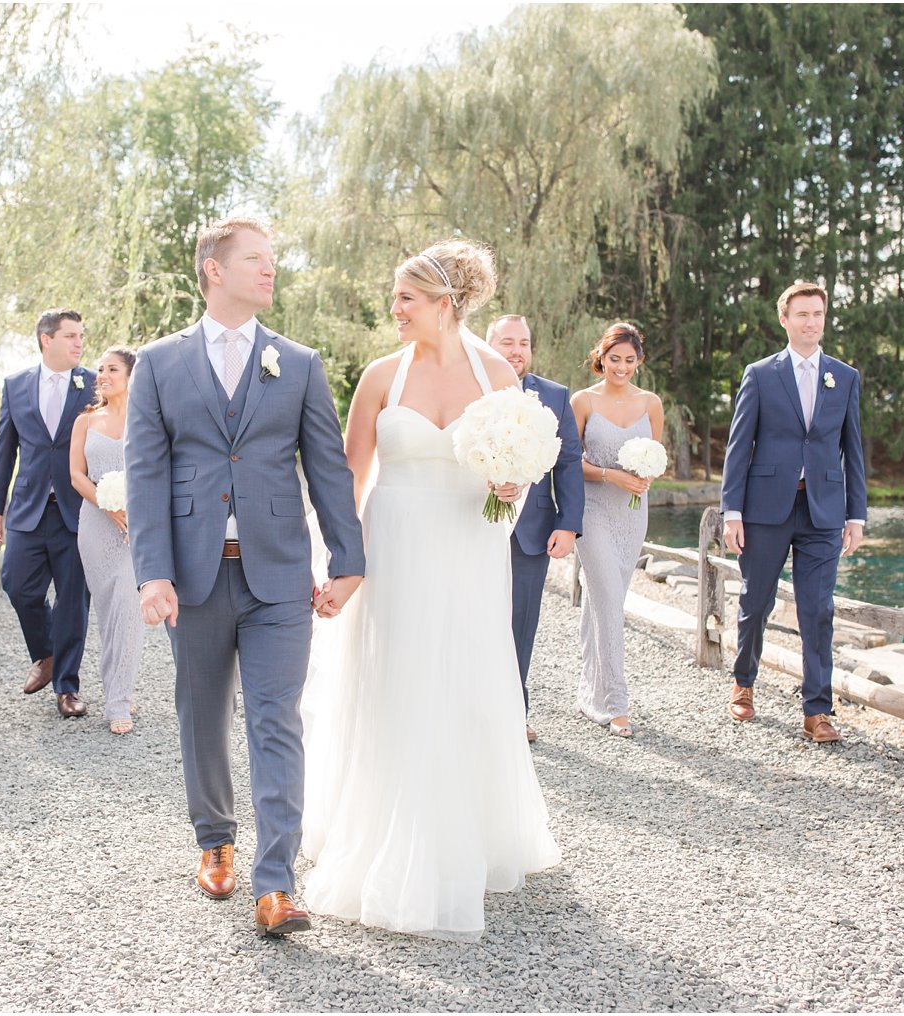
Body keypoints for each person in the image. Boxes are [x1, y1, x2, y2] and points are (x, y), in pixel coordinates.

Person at [301, 239, 561, 942]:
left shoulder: (499, 370)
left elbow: (519, 465)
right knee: (401, 677)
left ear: (445, 306)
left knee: (466, 675)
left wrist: (512, 484)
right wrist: (342, 564)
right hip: (397, 542)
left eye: (406, 299)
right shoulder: (381, 376)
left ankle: (468, 828)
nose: (394, 309)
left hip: (469, 543)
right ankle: (390, 828)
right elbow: (351, 477)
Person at [126, 217, 365, 938]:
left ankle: (275, 885)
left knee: (275, 721)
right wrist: (152, 573)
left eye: (272, 259)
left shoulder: (298, 362)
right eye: (255, 260)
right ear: (212, 270)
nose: (270, 271)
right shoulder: (159, 364)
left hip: (280, 579)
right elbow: (145, 473)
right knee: (201, 716)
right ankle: (214, 840)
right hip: (193, 579)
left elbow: (328, 466)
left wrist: (349, 561)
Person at [720, 281, 866, 743]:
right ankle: (744, 683)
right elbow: (739, 446)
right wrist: (732, 511)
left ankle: (817, 711)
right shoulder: (761, 374)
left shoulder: (845, 377)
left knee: (818, 609)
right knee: (756, 601)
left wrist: (856, 515)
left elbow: (853, 450)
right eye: (801, 314)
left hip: (824, 510)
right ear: (784, 319)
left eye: (818, 314)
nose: (810, 322)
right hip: (766, 508)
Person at [0, 309, 97, 718]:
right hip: (28, 507)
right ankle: (46, 655)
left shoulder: (94, 385)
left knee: (73, 600)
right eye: (70, 336)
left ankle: (67, 687)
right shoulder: (15, 385)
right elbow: (4, 449)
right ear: (46, 339)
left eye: (81, 336)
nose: (79, 343)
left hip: (76, 509)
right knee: (17, 584)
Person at [487, 314, 584, 744]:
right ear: (490, 346)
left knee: (521, 624)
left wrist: (569, 525)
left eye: (523, 343)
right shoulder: (472, 388)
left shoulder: (555, 396)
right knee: (472, 617)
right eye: (507, 343)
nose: (517, 351)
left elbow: (568, 464)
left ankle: (514, 711)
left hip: (532, 530)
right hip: (473, 525)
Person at [570, 323, 664, 738]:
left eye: (629, 360)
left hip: (632, 514)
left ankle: (590, 692)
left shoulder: (651, 403)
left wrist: (643, 477)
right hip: (592, 511)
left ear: (638, 361)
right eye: (614, 359)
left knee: (605, 598)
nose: (621, 367)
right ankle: (616, 704)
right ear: (601, 358)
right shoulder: (583, 401)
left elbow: (654, 460)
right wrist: (611, 475)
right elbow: (569, 462)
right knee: (609, 601)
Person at [69, 346, 142, 735]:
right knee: (108, 611)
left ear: (131, 375)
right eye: (100, 369)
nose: (102, 375)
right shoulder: (86, 421)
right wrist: (106, 502)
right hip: (96, 525)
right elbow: (76, 474)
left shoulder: (149, 417)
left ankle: (118, 701)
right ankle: (118, 684)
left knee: (130, 606)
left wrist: (134, 509)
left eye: (112, 369)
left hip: (139, 527)